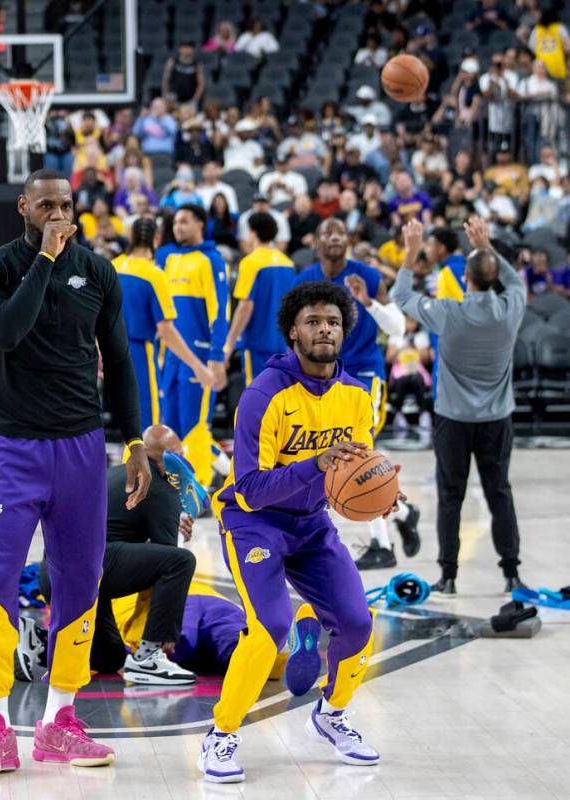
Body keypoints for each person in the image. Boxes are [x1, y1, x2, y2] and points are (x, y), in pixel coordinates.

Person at [0, 169, 150, 778]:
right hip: (11, 448)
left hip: (81, 448)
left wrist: (136, 442)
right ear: (24, 207)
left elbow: (118, 360)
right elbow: (5, 332)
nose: (59, 214)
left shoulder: (99, 272)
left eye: (66, 205)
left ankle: (59, 719)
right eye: (46, 205)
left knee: (79, 579)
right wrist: (44, 260)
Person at [199, 281, 405, 783]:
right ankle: (222, 733)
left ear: (344, 330)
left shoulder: (356, 397)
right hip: (253, 523)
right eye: (313, 321)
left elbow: (357, 471)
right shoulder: (263, 394)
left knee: (358, 624)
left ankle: (332, 714)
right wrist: (315, 464)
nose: (324, 330)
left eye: (333, 322)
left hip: (311, 525)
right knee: (268, 628)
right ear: (293, 330)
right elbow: (248, 487)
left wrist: (382, 493)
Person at [391, 217, 527, 596]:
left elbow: (401, 298)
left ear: (465, 278)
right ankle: (512, 573)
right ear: (492, 277)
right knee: (499, 492)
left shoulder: (448, 312)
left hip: (453, 420)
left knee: (451, 496)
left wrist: (411, 251)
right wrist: (488, 247)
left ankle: (448, 576)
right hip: (496, 420)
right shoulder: (510, 309)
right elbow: (516, 282)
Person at [294, 219, 420, 568]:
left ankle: (383, 544)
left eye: (340, 232)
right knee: (339, 457)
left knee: (359, 454)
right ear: (316, 240)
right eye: (327, 232)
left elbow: (396, 329)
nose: (334, 236)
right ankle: (403, 512)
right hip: (323, 378)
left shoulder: (366, 275)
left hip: (363, 373)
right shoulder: (304, 280)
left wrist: (368, 302)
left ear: (348, 240)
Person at [31, 425, 198, 685]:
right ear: (168, 458)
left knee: (108, 657)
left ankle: (36, 641)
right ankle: (148, 657)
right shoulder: (161, 487)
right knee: (181, 562)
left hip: (53, 573)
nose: (185, 456)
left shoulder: (113, 474)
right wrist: (178, 526)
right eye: (180, 451)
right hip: (91, 568)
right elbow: (167, 558)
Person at [113, 218, 215, 428]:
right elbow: (167, 332)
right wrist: (198, 366)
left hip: (113, 352)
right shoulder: (155, 275)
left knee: (127, 424)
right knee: (147, 426)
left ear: (130, 236)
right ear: (156, 239)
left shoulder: (113, 266)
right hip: (140, 354)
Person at [157, 204, 229, 487]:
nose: (178, 227)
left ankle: (198, 489)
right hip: (171, 358)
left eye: (184, 221)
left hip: (198, 355)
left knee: (196, 428)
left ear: (200, 224)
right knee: (172, 430)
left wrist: (216, 356)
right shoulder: (170, 259)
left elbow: (219, 311)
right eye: (175, 222)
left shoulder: (211, 260)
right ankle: (232, 472)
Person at [223, 212, 295, 382]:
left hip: (257, 344)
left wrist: (229, 345)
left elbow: (245, 307)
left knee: (256, 400)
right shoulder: (288, 263)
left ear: (253, 233)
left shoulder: (250, 263)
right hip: (284, 345)